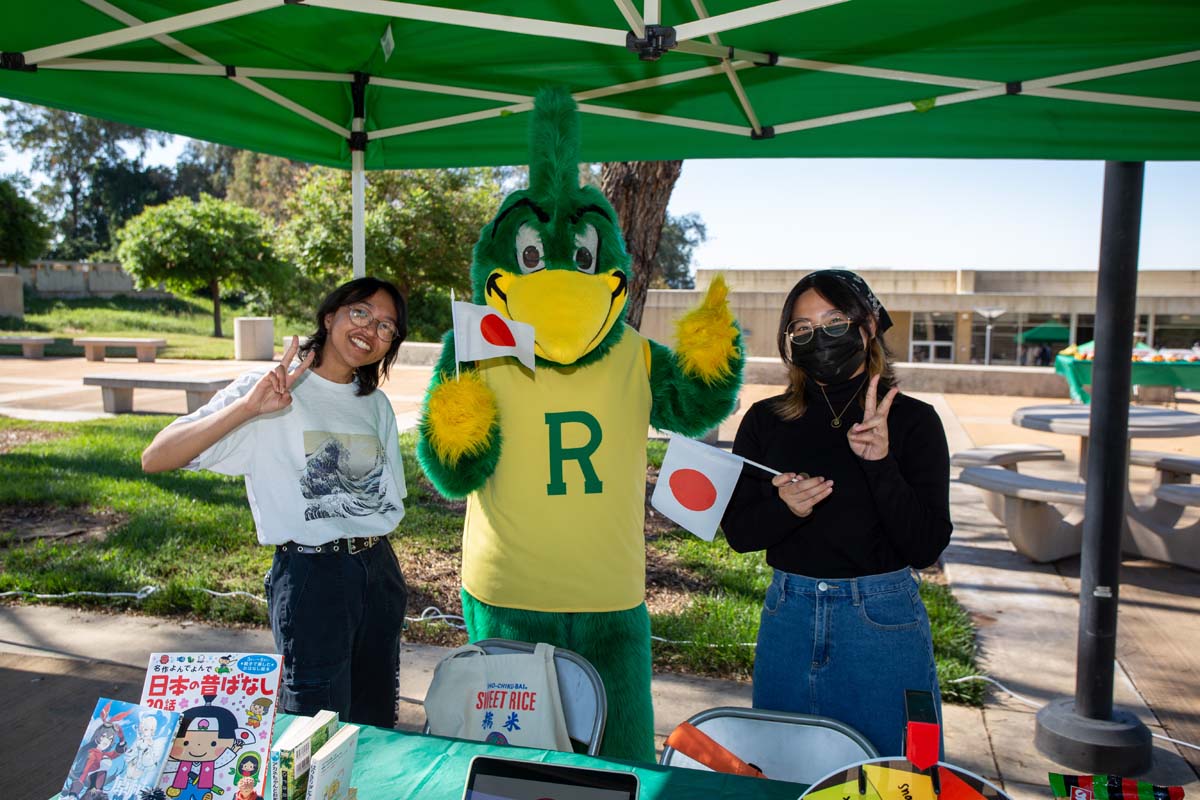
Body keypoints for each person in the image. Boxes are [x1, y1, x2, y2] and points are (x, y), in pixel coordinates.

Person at [142, 277, 410, 728]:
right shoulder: (269, 389)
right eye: (361, 312)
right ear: (330, 316)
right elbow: (156, 456)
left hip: (378, 570)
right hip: (314, 576)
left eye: (386, 326)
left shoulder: (375, 404)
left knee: (376, 718)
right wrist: (247, 408)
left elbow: (384, 498)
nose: (370, 329)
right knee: (315, 725)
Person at [721, 268, 952, 757]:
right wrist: (785, 508)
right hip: (789, 616)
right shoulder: (765, 420)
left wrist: (881, 465)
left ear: (867, 327)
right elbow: (739, 533)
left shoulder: (913, 421)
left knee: (892, 776)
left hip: (881, 623)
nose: (818, 336)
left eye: (833, 322)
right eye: (802, 328)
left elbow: (925, 546)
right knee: (782, 770)